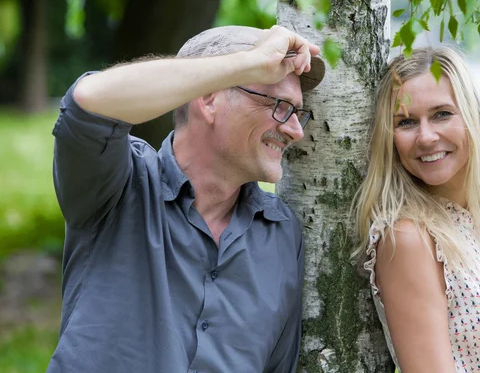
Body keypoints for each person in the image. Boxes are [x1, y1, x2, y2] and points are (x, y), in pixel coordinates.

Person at [47, 25, 325, 373]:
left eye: (298, 112)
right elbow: (88, 101)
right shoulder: (118, 184)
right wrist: (250, 63)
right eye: (279, 105)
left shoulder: (282, 234)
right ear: (208, 99)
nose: (295, 130)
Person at [352, 47, 480, 372]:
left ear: (472, 117)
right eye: (407, 121)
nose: (426, 137)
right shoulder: (408, 239)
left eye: (442, 114)